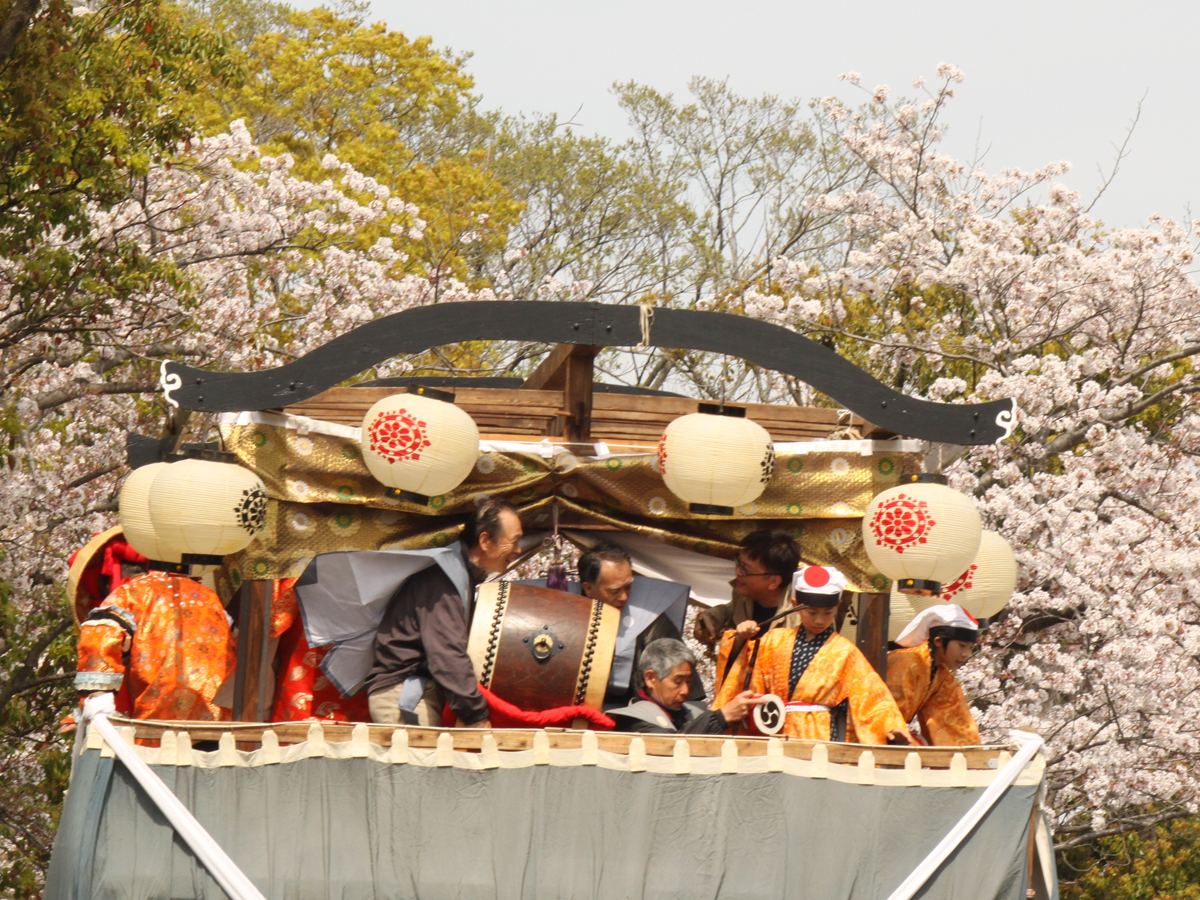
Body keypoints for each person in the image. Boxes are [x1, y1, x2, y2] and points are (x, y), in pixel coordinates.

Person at [365, 499, 523, 728]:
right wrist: (476, 715)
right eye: (515, 541)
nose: (519, 550)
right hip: (405, 696)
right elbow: (446, 655)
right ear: (485, 541)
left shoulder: (460, 575)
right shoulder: (444, 580)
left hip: (416, 693)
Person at [713, 565, 912, 745]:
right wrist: (742, 638)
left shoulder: (845, 651)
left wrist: (892, 727)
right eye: (812, 612)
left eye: (828, 612)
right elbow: (744, 670)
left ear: (838, 606)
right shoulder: (773, 640)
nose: (819, 620)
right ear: (794, 604)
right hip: (772, 730)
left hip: (819, 734)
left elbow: (872, 695)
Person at [75, 567, 235, 722]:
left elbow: (97, 641)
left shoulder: (130, 594)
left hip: (160, 721)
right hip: (224, 720)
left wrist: (98, 700)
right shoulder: (210, 596)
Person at [577, 542, 703, 708]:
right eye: (615, 591)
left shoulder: (649, 620)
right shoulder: (563, 615)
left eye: (628, 587)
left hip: (637, 714)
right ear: (588, 588)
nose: (624, 597)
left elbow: (681, 677)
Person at [696, 530, 802, 688]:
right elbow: (733, 610)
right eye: (738, 563)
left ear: (773, 582)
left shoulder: (799, 615)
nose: (738, 572)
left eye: (746, 570)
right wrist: (711, 616)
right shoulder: (744, 594)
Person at [608, 638, 761, 734]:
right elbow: (672, 748)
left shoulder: (694, 713)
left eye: (688, 681)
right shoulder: (633, 720)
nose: (685, 691)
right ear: (650, 678)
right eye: (677, 681)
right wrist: (721, 717)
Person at [886, 604, 982, 746]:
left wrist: (971, 752)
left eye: (970, 648)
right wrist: (894, 729)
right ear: (938, 641)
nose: (966, 654)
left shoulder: (941, 674)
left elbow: (955, 721)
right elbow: (886, 708)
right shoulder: (908, 661)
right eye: (961, 646)